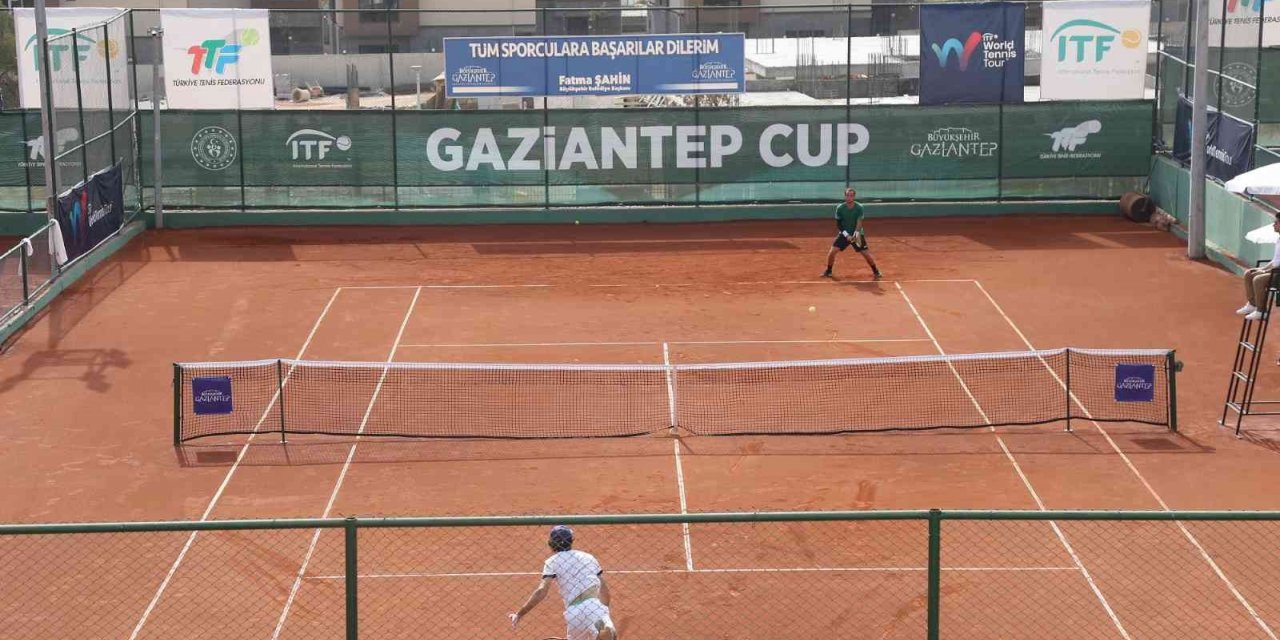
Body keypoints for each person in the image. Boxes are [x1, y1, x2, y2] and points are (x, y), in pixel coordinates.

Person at [510, 526, 617, 640]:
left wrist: (519, 614)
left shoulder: (552, 562)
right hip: (593, 607)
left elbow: (542, 591)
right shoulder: (588, 557)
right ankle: (604, 627)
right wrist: (603, 611)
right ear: (571, 541)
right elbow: (605, 591)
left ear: (551, 543)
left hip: (573, 614)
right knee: (609, 633)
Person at [822, 187, 882, 279]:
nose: (849, 197)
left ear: (854, 197)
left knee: (865, 253)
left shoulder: (859, 207)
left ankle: (876, 271)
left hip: (857, 234)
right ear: (845, 196)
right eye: (847, 195)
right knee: (832, 252)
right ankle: (829, 271)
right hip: (845, 233)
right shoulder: (840, 208)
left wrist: (855, 235)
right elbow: (839, 224)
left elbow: (859, 223)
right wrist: (847, 235)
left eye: (851, 195)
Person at [1238, 216, 1280, 321]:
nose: (1274, 225)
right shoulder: (1279, 239)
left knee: (1258, 280)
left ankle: (1261, 311)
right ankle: (1252, 304)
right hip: (1276, 272)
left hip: (1278, 275)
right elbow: (1274, 261)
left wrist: (1264, 271)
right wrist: (1261, 269)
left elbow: (1278, 264)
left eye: (1276, 222)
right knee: (1249, 273)